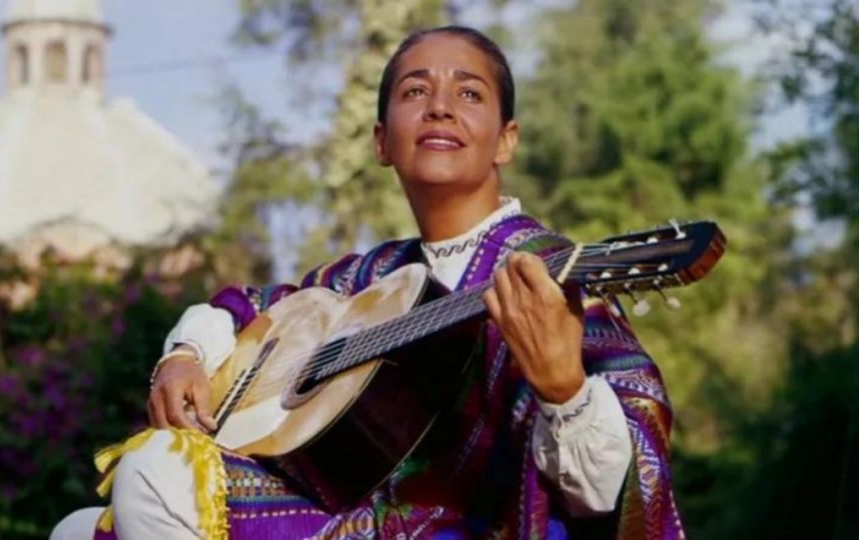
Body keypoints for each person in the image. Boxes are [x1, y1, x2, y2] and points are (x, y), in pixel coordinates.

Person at [51, 25, 682, 539]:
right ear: (382, 141)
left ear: (505, 141)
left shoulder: (545, 274)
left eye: (469, 94)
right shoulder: (371, 277)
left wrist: (565, 390)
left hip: (461, 531)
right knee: (78, 532)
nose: (439, 105)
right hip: (351, 521)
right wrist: (185, 356)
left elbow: (614, 494)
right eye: (414, 92)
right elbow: (246, 308)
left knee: (156, 469)